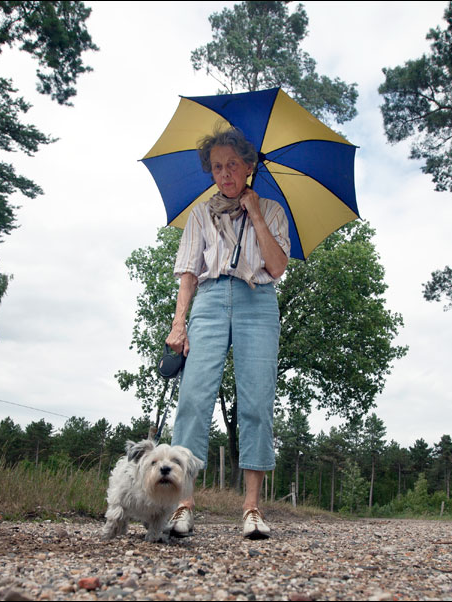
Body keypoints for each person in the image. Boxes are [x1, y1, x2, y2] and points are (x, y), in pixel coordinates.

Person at [166, 126, 290, 540]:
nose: (224, 174)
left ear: (249, 166)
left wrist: (255, 214)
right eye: (217, 167)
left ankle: (252, 509)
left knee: (256, 400)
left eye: (232, 165)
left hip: (259, 301)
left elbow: (277, 267)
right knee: (194, 398)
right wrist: (178, 322)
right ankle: (182, 504)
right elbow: (188, 273)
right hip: (212, 299)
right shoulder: (200, 215)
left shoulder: (271, 210)